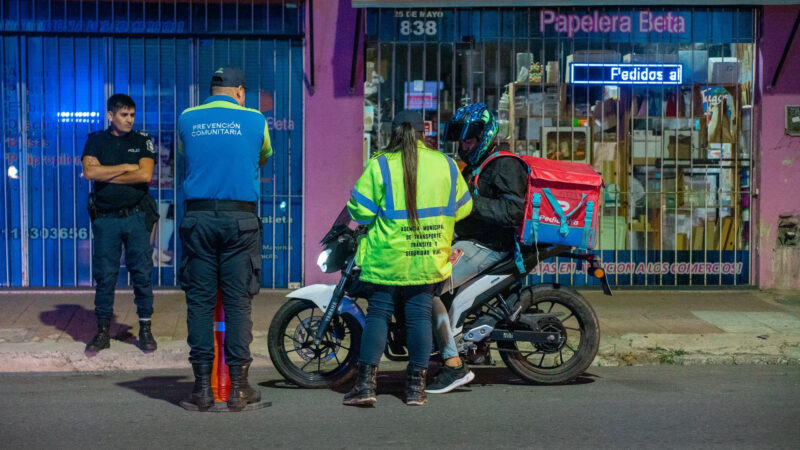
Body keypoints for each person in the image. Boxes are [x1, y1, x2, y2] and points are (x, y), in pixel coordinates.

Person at [343, 110, 472, 407]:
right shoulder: (446, 165)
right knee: (418, 319)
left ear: (393, 133)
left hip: (387, 257)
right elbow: (464, 208)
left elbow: (359, 211)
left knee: (378, 315)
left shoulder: (380, 165)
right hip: (428, 256)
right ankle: (416, 389)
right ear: (423, 133)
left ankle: (365, 386)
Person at [177, 66, 272, 412]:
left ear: (212, 89)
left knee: (200, 304)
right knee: (237, 304)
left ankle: (202, 389)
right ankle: (238, 389)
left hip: (198, 219)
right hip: (239, 221)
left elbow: (188, 157)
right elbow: (261, 157)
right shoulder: (255, 120)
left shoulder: (187, 118)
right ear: (240, 92)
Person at [425, 102, 528, 394]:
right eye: (462, 138)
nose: (465, 143)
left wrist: (469, 202)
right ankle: (456, 345)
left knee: (429, 284)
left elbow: (513, 212)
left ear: (485, 133)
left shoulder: (504, 164)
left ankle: (452, 365)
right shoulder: (478, 164)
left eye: (470, 137)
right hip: (470, 241)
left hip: (489, 246)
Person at [81, 93, 158, 353]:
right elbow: (90, 172)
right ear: (111, 115)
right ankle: (102, 331)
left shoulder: (142, 140)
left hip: (136, 216)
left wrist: (106, 174)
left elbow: (145, 174)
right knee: (105, 276)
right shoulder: (95, 140)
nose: (129, 120)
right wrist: (126, 166)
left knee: (141, 273)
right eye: (124, 115)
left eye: (132, 115)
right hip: (106, 219)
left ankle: (145, 328)